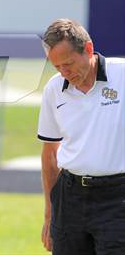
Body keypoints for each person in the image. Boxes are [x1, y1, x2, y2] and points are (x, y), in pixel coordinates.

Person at [39, 19, 125, 254]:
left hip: (118, 198)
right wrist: (50, 215)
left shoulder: (123, 74)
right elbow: (49, 155)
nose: (65, 73)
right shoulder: (53, 89)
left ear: (88, 49)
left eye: (68, 64)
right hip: (69, 198)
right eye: (57, 67)